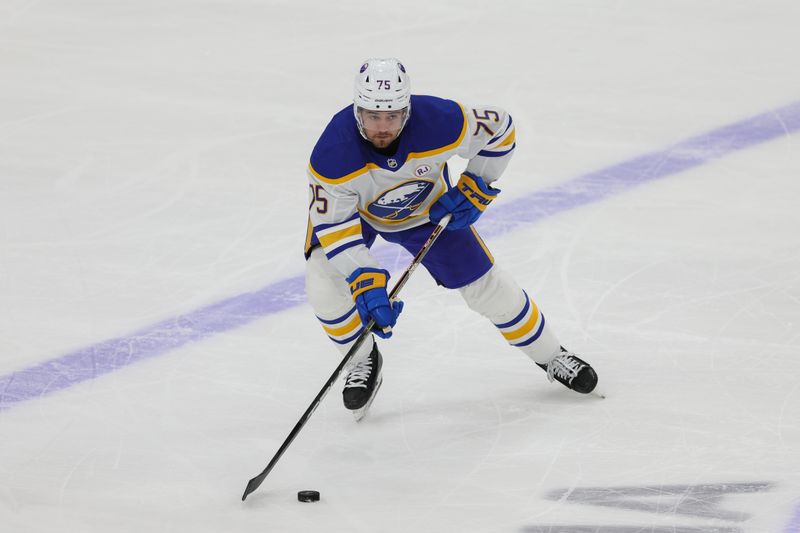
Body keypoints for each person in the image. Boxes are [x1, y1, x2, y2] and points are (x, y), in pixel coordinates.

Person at [304, 58, 598, 420]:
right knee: (321, 281)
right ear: (357, 109)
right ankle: (363, 359)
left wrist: (477, 185)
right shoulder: (331, 155)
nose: (382, 127)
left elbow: (500, 129)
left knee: (489, 288)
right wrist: (365, 278)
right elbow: (336, 231)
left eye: (392, 116)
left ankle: (552, 355)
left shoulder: (439, 120)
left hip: (427, 210)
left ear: (407, 110)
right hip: (355, 216)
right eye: (372, 116)